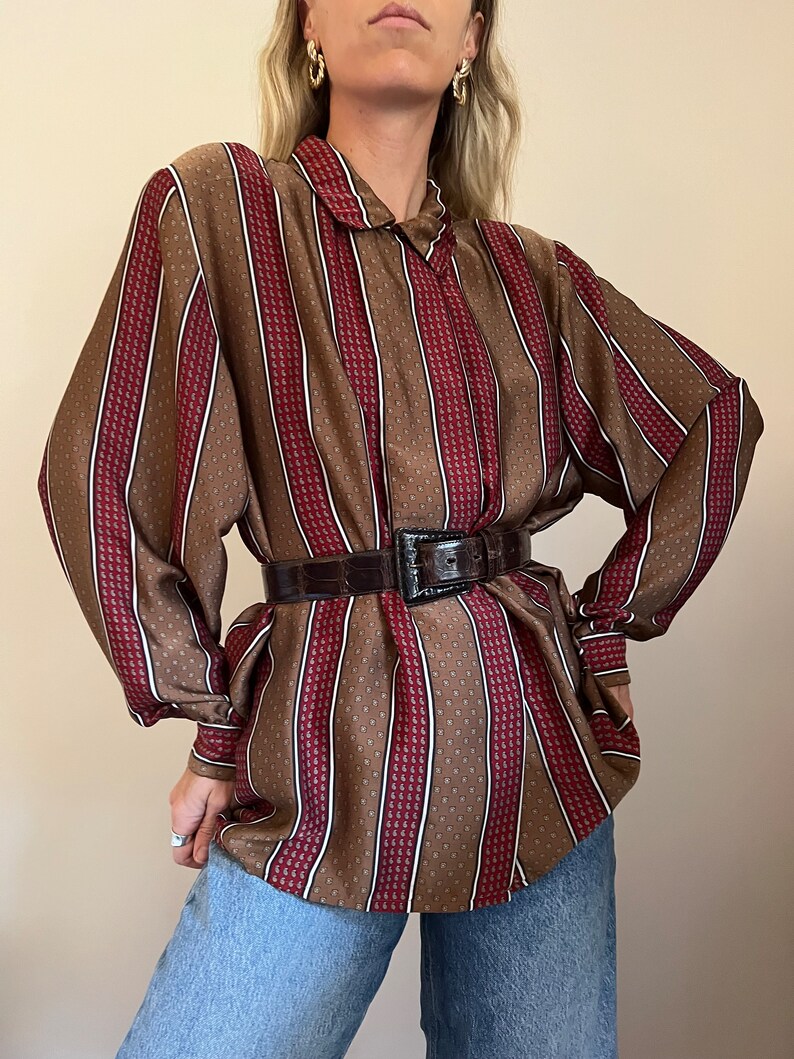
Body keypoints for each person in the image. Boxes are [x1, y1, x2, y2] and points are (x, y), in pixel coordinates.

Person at [36, 1, 765, 1057]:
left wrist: (604, 628)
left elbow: (707, 420)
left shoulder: (528, 276)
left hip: (530, 754)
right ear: (308, 24)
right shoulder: (221, 210)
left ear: (471, 39)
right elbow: (104, 472)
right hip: (321, 748)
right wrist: (208, 717)